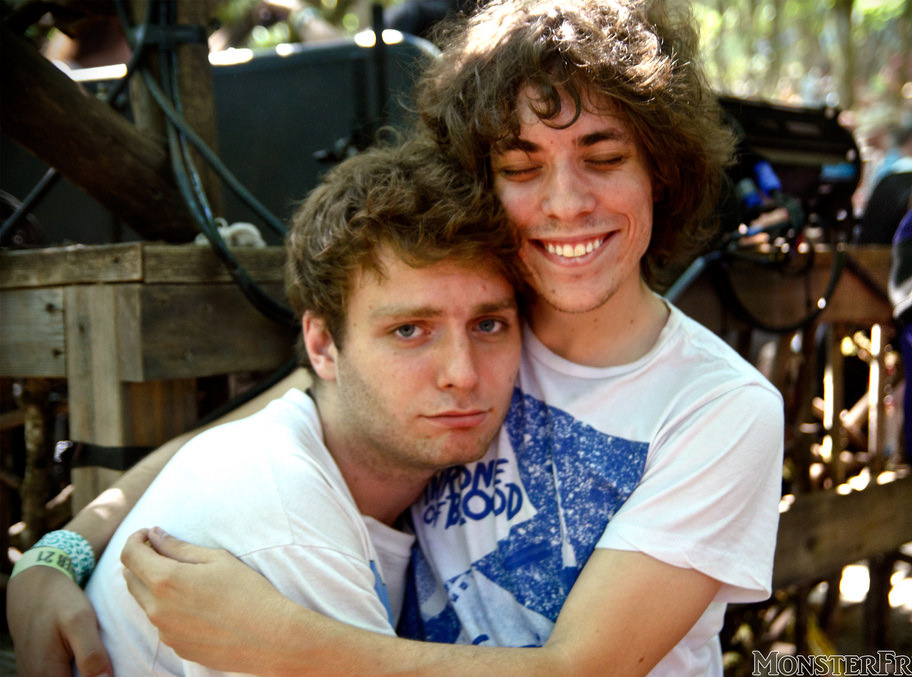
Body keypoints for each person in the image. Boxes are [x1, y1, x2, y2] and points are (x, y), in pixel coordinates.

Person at [8, 1, 785, 675]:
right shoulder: (480, 315)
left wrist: (284, 640)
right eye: (521, 167)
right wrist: (55, 556)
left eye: (605, 157)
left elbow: (579, 668)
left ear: (664, 170)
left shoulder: (720, 407)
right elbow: (256, 423)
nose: (565, 203)